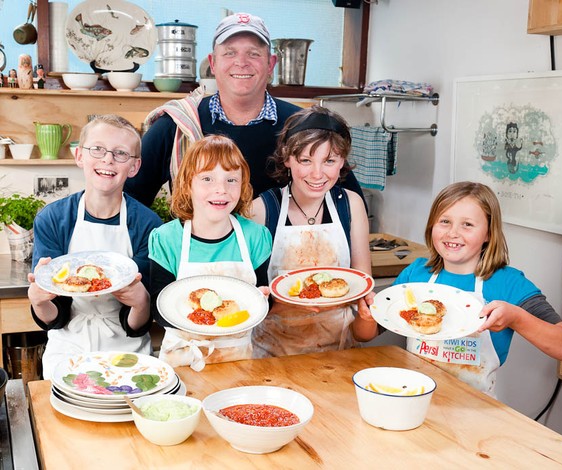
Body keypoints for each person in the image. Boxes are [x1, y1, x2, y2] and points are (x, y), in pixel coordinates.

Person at [124, 11, 364, 207]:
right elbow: (129, 200)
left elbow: (349, 202)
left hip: (286, 261)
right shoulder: (178, 124)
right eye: (230, 52)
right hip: (198, 261)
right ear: (213, 63)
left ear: (271, 64)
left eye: (253, 53)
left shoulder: (303, 125)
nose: (241, 62)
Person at [392, 181, 562, 396]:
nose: (453, 233)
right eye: (445, 221)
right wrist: (365, 309)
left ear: (489, 234)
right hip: (414, 396)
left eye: (467, 225)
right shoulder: (415, 274)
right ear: (431, 226)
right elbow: (366, 332)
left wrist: (516, 318)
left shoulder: (508, 283)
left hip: (475, 408)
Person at [27, 114, 163, 379]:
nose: (107, 159)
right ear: (79, 156)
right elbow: (55, 317)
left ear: (134, 167)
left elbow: (138, 323)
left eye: (120, 153)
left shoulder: (148, 224)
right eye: (97, 149)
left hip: (128, 352)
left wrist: (141, 302)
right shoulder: (54, 219)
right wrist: (38, 301)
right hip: (68, 347)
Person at [251, 106, 376, 358]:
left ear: (342, 161)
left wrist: (368, 312)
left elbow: (362, 296)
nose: (317, 174)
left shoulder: (350, 205)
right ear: (287, 158)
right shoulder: (261, 210)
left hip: (340, 354)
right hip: (270, 356)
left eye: (329, 161)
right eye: (305, 160)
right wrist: (283, 304)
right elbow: (249, 304)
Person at [148, 135, 272, 370]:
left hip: (240, 359)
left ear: (243, 185)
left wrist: (265, 300)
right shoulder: (166, 238)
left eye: (231, 179)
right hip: (181, 360)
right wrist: (204, 326)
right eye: (207, 178)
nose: (221, 190)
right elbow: (158, 307)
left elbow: (263, 301)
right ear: (187, 184)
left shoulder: (256, 237)